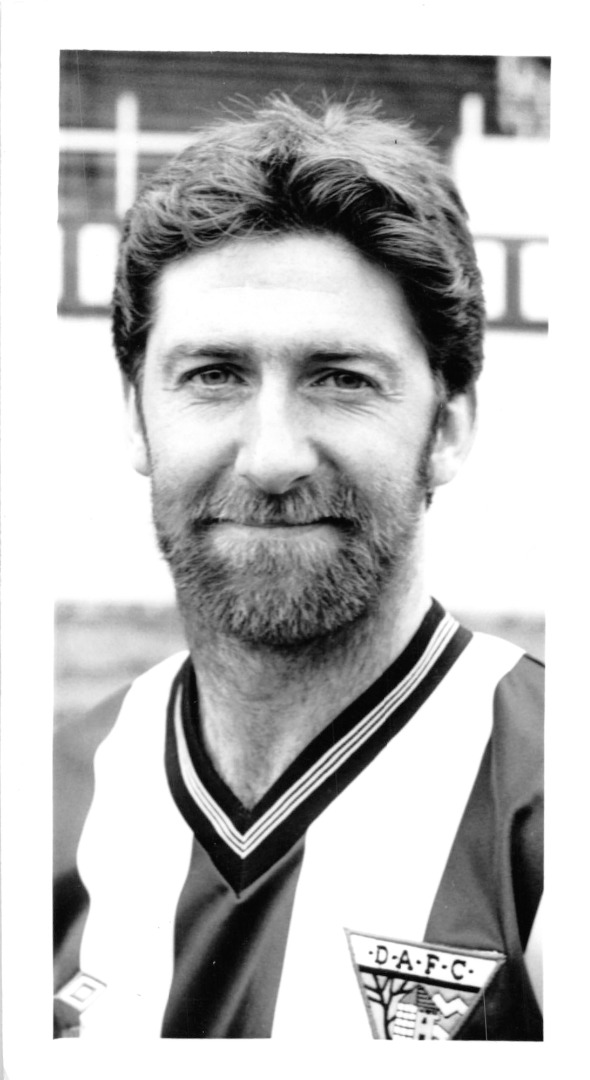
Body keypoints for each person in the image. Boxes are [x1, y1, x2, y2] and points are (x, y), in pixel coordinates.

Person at [53, 96, 543, 1042]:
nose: (272, 456)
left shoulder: (551, 800)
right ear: (135, 416)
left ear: (448, 427)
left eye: (341, 378)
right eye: (214, 375)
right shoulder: (47, 804)